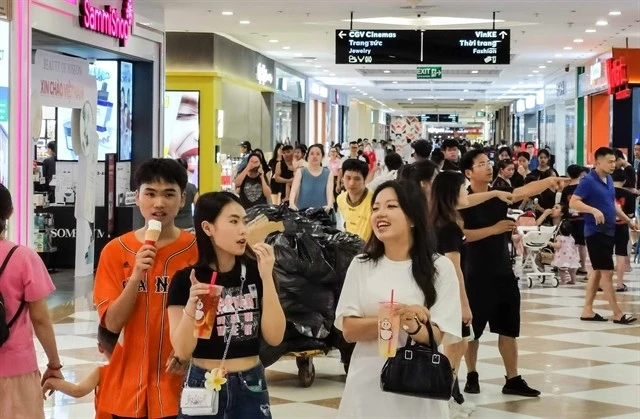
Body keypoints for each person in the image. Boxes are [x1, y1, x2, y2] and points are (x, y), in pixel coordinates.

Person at [335, 180, 462, 418]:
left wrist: (413, 324)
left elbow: (437, 334)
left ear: (413, 217)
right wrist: (389, 319)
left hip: (419, 389)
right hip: (367, 384)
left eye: (391, 206)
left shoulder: (440, 267)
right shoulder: (361, 265)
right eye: (375, 208)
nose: (380, 214)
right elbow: (349, 329)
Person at [94, 158, 199, 419]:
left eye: (169, 194)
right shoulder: (115, 252)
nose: (159, 203)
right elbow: (112, 323)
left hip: (181, 386)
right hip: (126, 387)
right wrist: (136, 275)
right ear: (137, 197)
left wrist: (188, 351)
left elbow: (209, 314)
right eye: (150, 193)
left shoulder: (197, 251)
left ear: (182, 200)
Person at [460, 149, 568, 398]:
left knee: (508, 328)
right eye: (481, 164)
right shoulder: (462, 200)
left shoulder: (499, 196)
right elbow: (462, 236)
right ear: (468, 173)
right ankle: (471, 375)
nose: (488, 167)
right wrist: (495, 228)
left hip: (503, 271)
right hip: (474, 273)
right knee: (472, 330)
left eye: (489, 163)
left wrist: (550, 181)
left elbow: (523, 192)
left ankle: (513, 378)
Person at [167, 192, 285, 419]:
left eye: (244, 221)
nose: (243, 229)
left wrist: (267, 277)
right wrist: (192, 306)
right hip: (203, 384)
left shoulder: (255, 272)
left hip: (250, 383)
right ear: (208, 228)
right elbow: (182, 351)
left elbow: (275, 337)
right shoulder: (187, 280)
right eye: (233, 221)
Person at [0, 184, 62, 419]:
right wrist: (54, 364)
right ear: (9, 212)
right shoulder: (24, 258)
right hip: (16, 367)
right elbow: (40, 319)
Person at [569, 147, 637, 325]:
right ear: (597, 162)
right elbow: (573, 202)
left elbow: (612, 205)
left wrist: (628, 221)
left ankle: (587, 310)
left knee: (598, 272)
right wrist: (593, 211)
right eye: (609, 161)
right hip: (595, 233)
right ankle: (617, 313)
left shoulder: (608, 179)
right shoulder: (588, 181)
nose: (613, 165)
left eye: (614, 161)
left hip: (608, 230)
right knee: (607, 272)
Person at [42, 326, 120, 419]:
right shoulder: (138, 372)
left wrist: (51, 382)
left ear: (100, 348)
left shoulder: (102, 372)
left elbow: (77, 391)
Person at [560, 165, 589, 275]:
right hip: (582, 218)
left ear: (568, 174)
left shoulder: (566, 189)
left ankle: (572, 265)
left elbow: (563, 204)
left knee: (572, 243)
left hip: (570, 219)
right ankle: (583, 267)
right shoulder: (583, 187)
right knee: (582, 244)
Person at [289, 144, 334, 211]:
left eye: (318, 154)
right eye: (312, 154)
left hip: (321, 212)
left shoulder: (328, 173)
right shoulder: (301, 171)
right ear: (308, 156)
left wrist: (329, 205)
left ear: (322, 157)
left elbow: (329, 192)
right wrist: (292, 203)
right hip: (302, 212)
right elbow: (294, 190)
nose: (315, 156)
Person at [336, 159, 372, 241]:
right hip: (349, 247)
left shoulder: (374, 201)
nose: (351, 183)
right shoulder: (340, 199)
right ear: (342, 178)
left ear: (364, 179)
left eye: (357, 179)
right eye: (348, 178)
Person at [612, 168, 636, 292]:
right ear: (625, 180)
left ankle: (602, 283)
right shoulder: (629, 195)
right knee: (621, 255)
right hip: (622, 227)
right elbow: (631, 215)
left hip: (606, 227)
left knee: (604, 255)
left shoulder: (606, 192)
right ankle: (619, 284)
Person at [549, 220, 580, 285]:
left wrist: (551, 243)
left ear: (560, 230)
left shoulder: (560, 237)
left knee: (562, 269)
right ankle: (573, 280)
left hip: (563, 257)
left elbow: (558, 245)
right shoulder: (571, 238)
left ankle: (563, 281)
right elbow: (573, 246)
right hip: (572, 256)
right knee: (572, 270)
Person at [175, 158, 200, 231]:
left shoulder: (168, 188)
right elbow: (199, 206)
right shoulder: (191, 187)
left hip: (171, 227)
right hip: (188, 226)